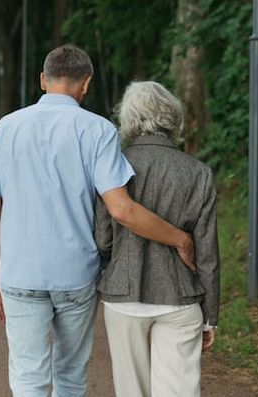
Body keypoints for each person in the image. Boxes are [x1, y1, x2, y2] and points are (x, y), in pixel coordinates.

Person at [0, 45, 195, 397]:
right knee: (70, 375)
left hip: (20, 274)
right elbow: (122, 210)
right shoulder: (99, 131)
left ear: (43, 80)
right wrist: (180, 239)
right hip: (75, 276)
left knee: (28, 378)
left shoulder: (8, 127)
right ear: (86, 84)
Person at [94, 81, 219, 397]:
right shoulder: (198, 172)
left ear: (129, 119)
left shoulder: (113, 164)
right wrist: (211, 317)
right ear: (172, 119)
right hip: (180, 298)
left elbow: (104, 239)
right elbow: (206, 252)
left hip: (124, 296)